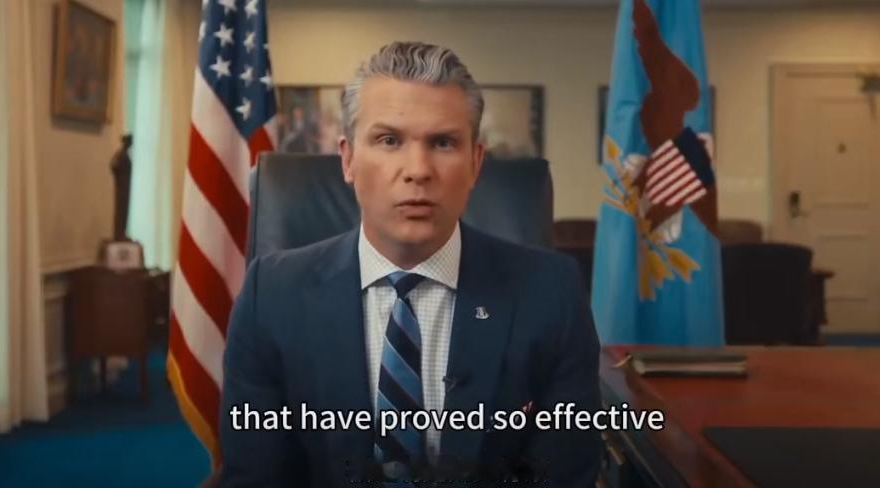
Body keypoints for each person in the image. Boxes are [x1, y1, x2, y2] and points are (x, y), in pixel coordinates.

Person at [220, 41, 601, 487]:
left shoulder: (552, 294)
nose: (418, 169)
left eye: (443, 142)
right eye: (389, 140)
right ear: (348, 159)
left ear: (475, 163)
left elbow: (563, 475)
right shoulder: (271, 296)